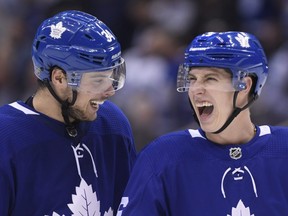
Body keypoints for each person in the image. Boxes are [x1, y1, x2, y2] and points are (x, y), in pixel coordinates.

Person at [117, 31, 288, 215]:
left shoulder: (282, 149)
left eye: (210, 79)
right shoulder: (162, 157)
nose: (196, 89)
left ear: (245, 86)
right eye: (192, 79)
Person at [0, 10, 136, 215]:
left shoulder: (113, 123)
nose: (110, 91)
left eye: (112, 77)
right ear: (60, 78)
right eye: (98, 80)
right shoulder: (6, 136)